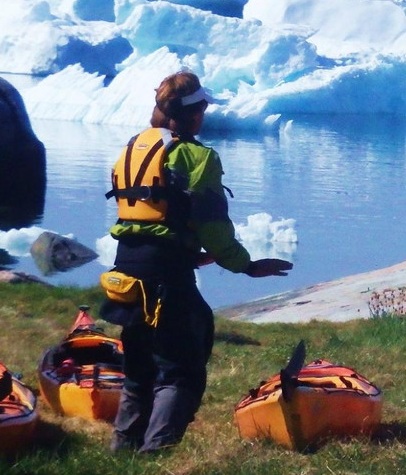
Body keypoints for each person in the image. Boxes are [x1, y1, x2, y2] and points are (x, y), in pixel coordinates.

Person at [102, 71, 290, 453]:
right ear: (194, 114)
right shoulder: (198, 157)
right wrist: (246, 265)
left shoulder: (132, 148)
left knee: (139, 368)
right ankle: (156, 456)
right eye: (202, 109)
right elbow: (213, 226)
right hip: (166, 277)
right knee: (182, 369)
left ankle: (122, 454)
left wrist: (185, 253)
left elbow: (145, 217)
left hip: (126, 271)